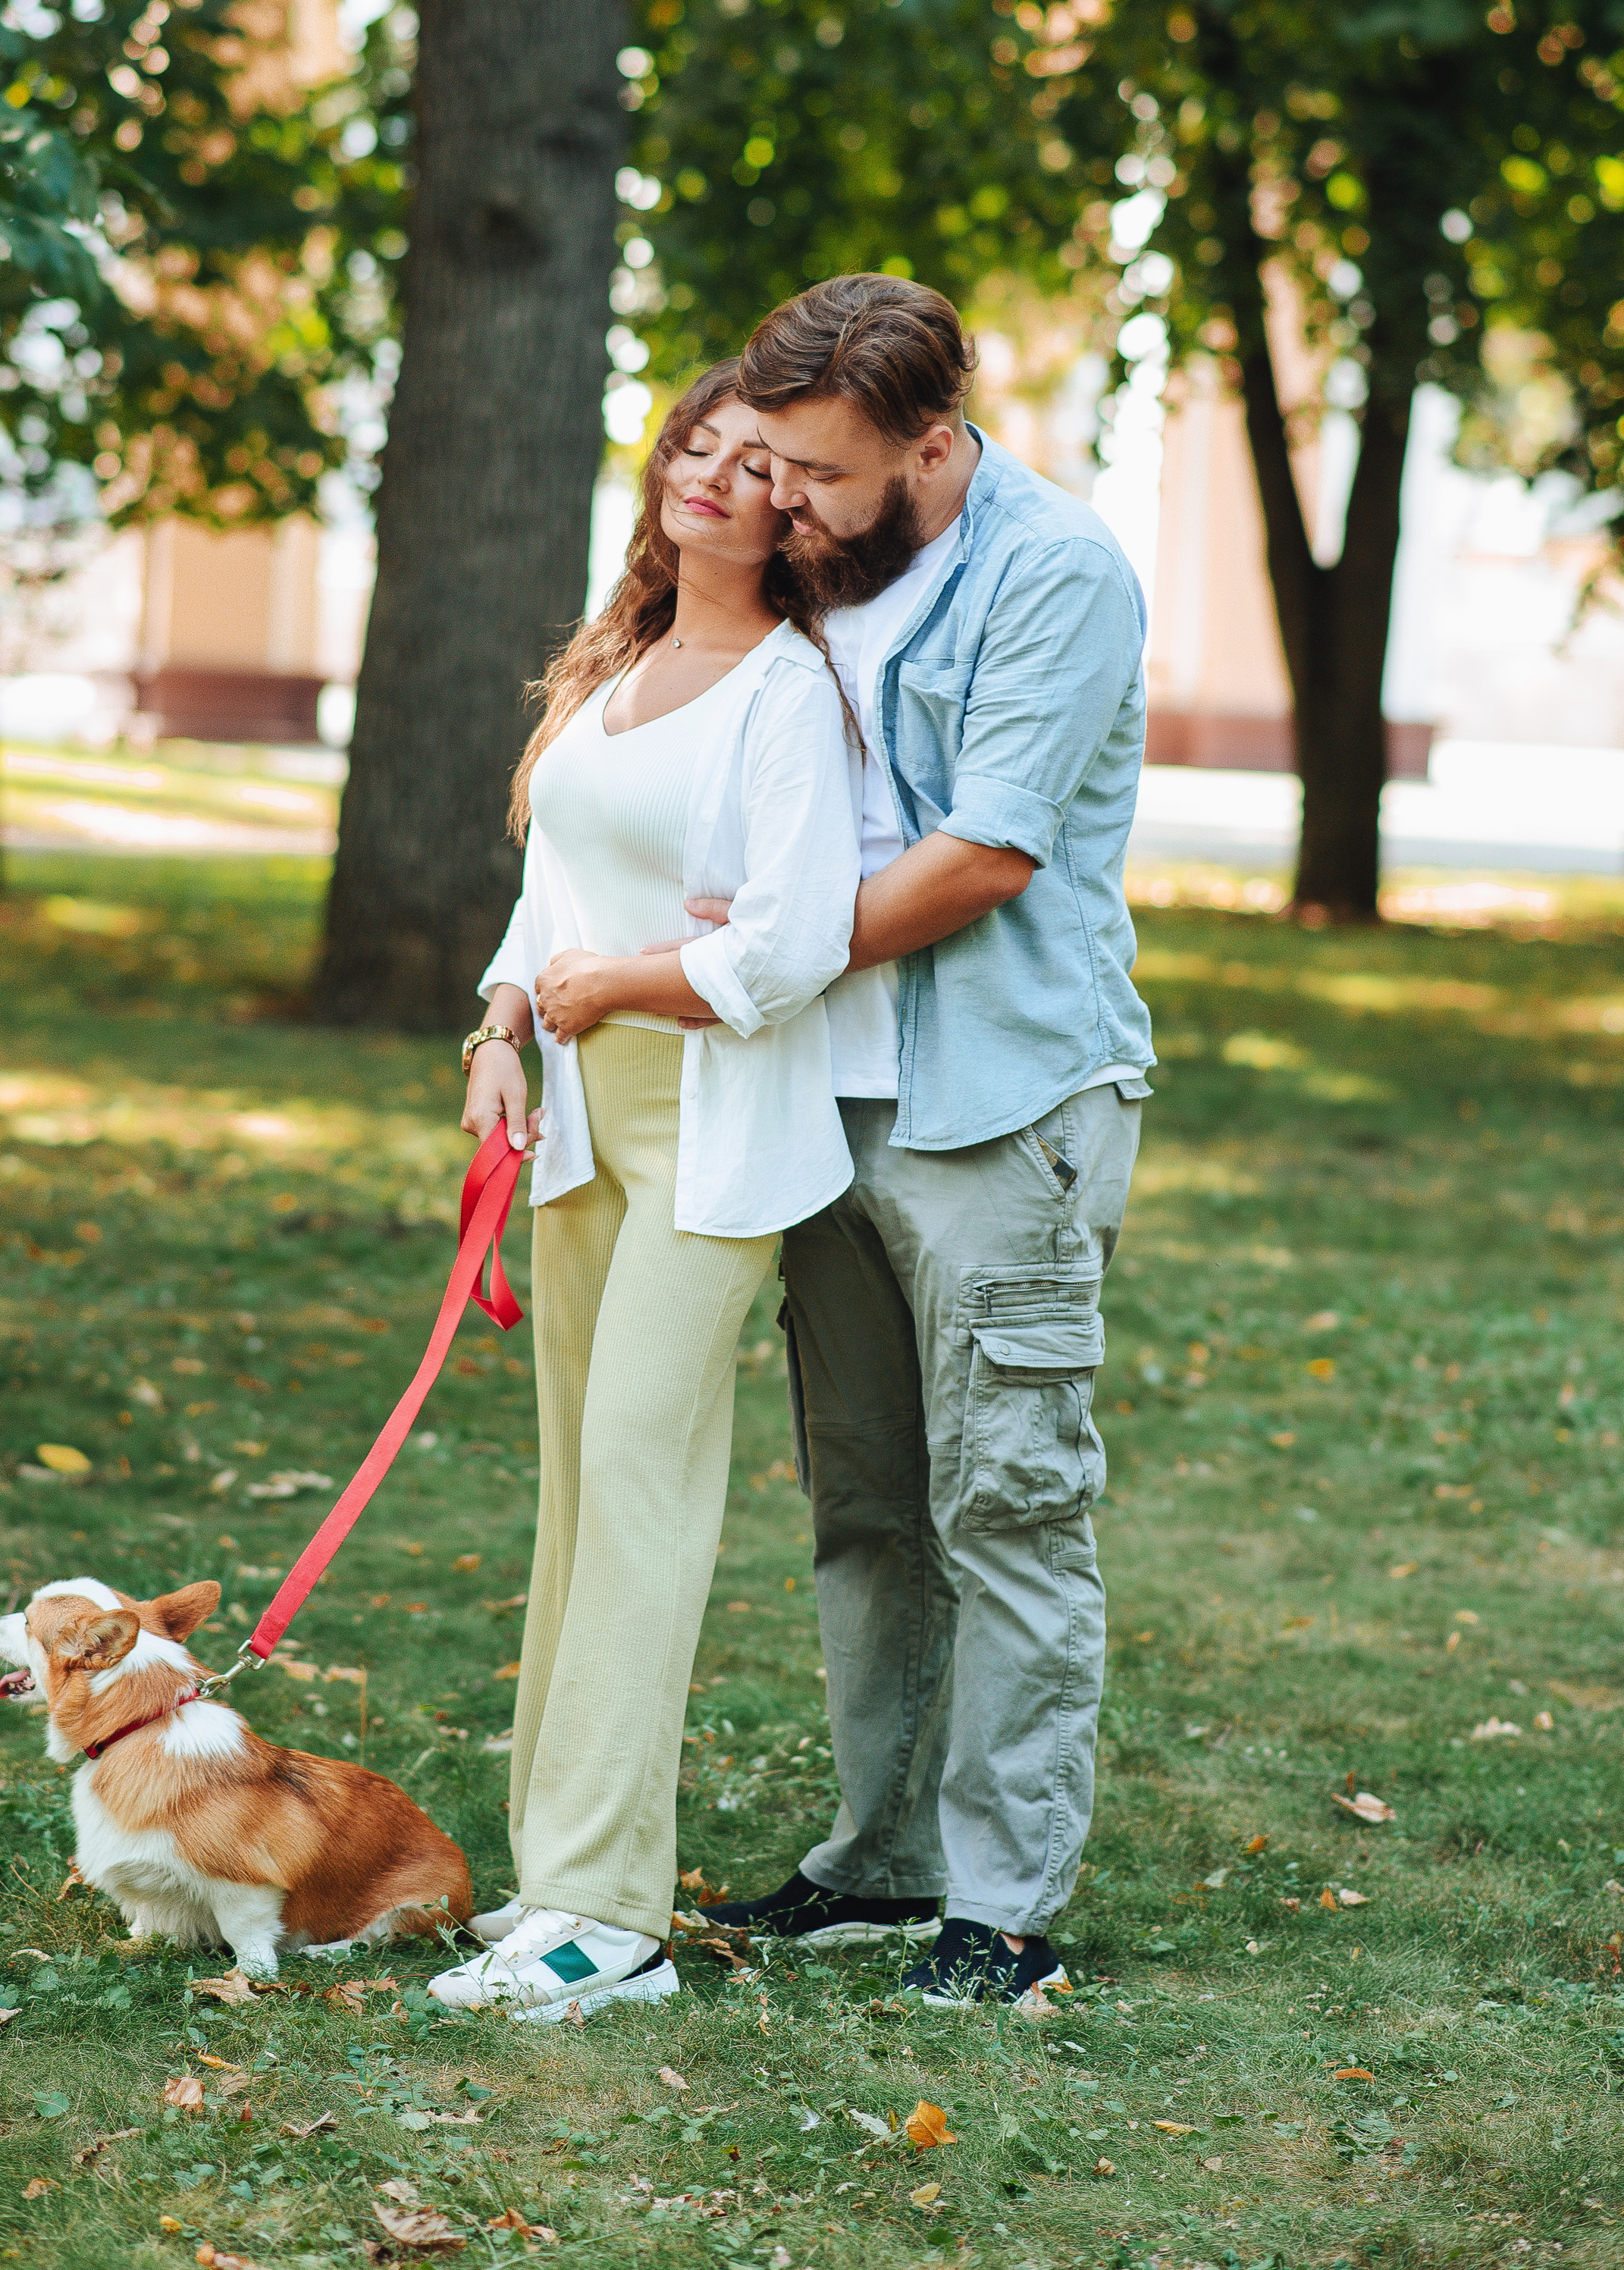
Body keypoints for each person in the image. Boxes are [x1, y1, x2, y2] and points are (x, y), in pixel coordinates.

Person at [693, 273, 1155, 2008]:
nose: (784, 502)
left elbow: (983, 860)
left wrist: (735, 963)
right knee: (867, 1504)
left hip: (1002, 1102)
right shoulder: (828, 562)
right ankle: (878, 1859)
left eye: (816, 472)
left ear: (932, 441)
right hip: (834, 1096)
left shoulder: (1053, 571)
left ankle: (1003, 1904)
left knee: (1007, 1502)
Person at [430, 360, 861, 2024]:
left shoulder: (784, 692)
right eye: (701, 437)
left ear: (794, 511)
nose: (713, 468)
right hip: (579, 1121)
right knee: (569, 1490)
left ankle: (607, 1915)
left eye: (759, 461)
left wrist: (612, 986)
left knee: (638, 1482)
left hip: (712, 1125)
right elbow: (552, 892)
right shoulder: (612, 663)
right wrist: (505, 1022)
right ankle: (554, 1873)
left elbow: (790, 941)